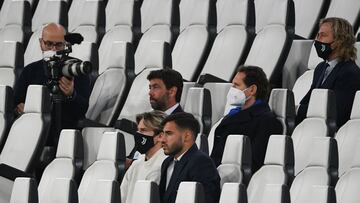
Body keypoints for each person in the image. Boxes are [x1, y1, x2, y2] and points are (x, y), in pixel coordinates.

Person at [13, 23, 91, 145]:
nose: (53, 49)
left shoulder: (76, 68)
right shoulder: (30, 70)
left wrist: (71, 95)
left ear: (65, 44)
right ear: (41, 43)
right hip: (31, 133)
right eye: (48, 44)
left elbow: (82, 110)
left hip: (65, 134)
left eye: (58, 44)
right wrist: (19, 109)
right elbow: (15, 102)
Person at [210, 65, 283, 172]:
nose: (232, 90)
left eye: (236, 85)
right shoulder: (232, 115)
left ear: (252, 89)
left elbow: (254, 163)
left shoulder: (267, 122)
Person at [296, 17, 360, 128]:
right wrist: (296, 109)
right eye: (317, 35)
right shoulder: (321, 68)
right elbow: (306, 102)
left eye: (323, 35)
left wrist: (297, 109)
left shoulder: (350, 73)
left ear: (339, 41)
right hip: (314, 125)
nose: (317, 40)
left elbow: (336, 113)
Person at [159, 112, 220, 203]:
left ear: (187, 136)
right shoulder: (167, 162)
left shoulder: (201, 163)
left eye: (169, 133)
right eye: (163, 134)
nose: (162, 139)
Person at [120, 111, 167, 203]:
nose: (138, 134)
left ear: (160, 136)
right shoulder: (137, 164)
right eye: (138, 130)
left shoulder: (164, 164)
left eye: (143, 130)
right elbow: (122, 196)